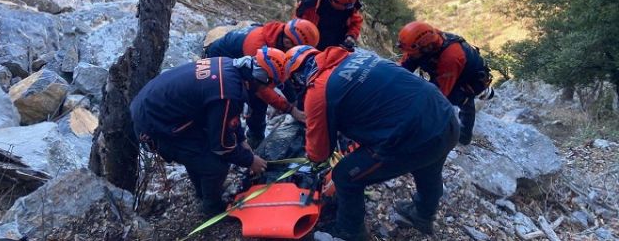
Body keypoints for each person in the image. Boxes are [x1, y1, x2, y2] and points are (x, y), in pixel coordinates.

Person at [284, 45, 459, 240]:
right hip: (445, 116)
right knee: (429, 167)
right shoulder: (356, 57)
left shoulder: (317, 91)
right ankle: (424, 214)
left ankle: (350, 231)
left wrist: (311, 154)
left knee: (345, 176)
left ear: (297, 76)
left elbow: (319, 153)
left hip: (413, 135)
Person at [130, 47, 287, 216]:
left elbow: (226, 118)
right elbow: (220, 145)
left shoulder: (229, 66)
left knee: (202, 153)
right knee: (215, 165)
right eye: (271, 84)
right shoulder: (228, 93)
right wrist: (250, 160)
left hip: (158, 108)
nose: (268, 90)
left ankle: (203, 192)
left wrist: (241, 141)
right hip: (158, 125)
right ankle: (211, 208)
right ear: (261, 77)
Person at [205, 19, 319, 146]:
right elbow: (261, 89)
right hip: (218, 61)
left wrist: (293, 100)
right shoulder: (257, 46)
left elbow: (283, 71)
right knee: (257, 101)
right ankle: (254, 139)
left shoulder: (278, 35)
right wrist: (290, 109)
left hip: (236, 57)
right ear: (287, 42)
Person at [396, 21, 493, 145]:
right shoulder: (425, 40)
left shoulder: (451, 57)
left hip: (469, 79)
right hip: (445, 67)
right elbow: (404, 66)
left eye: (412, 52)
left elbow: (440, 94)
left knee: (458, 98)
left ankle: (464, 136)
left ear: (427, 48)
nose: (409, 54)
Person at [294, 0, 363, 51]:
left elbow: (356, 22)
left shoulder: (348, 3)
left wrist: (351, 36)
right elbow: (297, 29)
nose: (348, 8)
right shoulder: (309, 5)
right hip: (313, 49)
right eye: (345, 6)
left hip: (337, 49)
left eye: (350, 5)